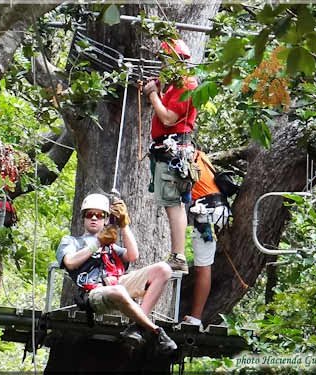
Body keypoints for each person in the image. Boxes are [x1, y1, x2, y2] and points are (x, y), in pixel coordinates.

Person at [56, 193, 177, 353]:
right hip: (93, 292)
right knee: (118, 290)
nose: (94, 218)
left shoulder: (111, 246)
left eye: (99, 215)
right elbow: (70, 263)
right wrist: (98, 242)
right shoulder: (71, 241)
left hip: (117, 283)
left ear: (105, 219)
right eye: (89, 214)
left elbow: (133, 256)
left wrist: (124, 224)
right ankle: (155, 331)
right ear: (83, 218)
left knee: (164, 269)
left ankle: (137, 327)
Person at [143, 39, 198, 275]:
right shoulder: (175, 86)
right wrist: (158, 89)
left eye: (165, 62)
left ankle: (178, 255)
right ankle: (177, 254)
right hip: (168, 149)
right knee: (171, 203)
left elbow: (167, 119)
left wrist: (153, 95)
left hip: (173, 149)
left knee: (173, 204)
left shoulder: (187, 85)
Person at [182, 149, 230, 327]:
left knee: (203, 266)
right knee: (202, 264)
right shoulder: (198, 155)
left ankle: (196, 317)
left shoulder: (185, 156)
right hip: (210, 210)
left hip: (206, 212)